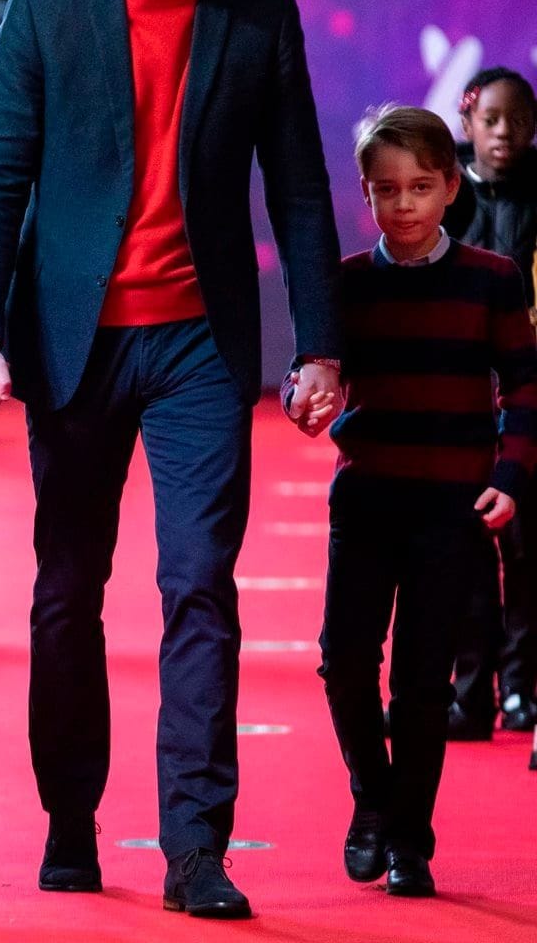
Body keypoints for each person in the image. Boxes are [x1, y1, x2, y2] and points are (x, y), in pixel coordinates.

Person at [0, 0, 343, 917]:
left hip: (201, 348)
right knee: (68, 591)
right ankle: (70, 819)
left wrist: (321, 344)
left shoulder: (260, 19)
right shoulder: (44, 14)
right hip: (73, 343)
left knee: (199, 586)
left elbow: (302, 190)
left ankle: (195, 849)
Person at [289, 104, 537, 896]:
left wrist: (510, 476)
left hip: (453, 505)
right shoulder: (348, 285)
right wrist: (309, 398)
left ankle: (410, 841)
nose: (403, 205)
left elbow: (526, 387)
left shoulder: (493, 281)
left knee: (426, 680)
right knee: (344, 662)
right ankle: (373, 799)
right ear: (366, 195)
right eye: (386, 190)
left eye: (420, 187)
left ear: (451, 187)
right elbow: (317, 373)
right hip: (365, 495)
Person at [443, 67, 537, 738]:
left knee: (528, 552)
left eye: (519, 120)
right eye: (492, 119)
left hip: (530, 394)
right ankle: (470, 695)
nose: (505, 132)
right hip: (461, 393)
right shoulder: (442, 193)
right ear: (467, 120)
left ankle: (519, 691)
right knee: (466, 550)